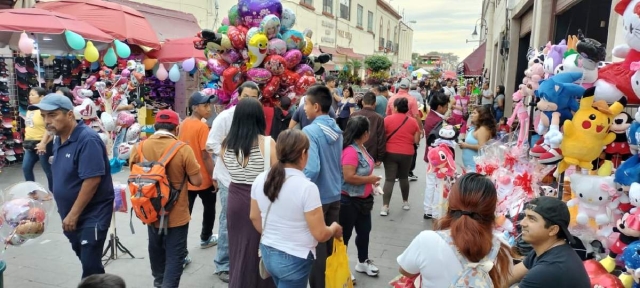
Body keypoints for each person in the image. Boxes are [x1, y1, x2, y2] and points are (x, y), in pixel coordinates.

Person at [30, 94, 114, 279]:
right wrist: (47, 196)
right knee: (88, 263)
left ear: (69, 115)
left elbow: (92, 181)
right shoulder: (59, 138)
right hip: (70, 215)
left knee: (90, 267)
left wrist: (73, 215)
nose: (47, 121)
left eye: (52, 115)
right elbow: (66, 177)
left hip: (91, 214)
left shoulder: (87, 139)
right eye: (43, 116)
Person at [250, 129, 343, 288]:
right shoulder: (307, 188)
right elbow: (320, 234)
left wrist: (273, 235)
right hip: (294, 258)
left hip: (267, 251)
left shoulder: (260, 179)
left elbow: (254, 216)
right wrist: (333, 228)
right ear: (303, 154)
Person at [397, 173, 513, 287]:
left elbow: (406, 270)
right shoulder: (502, 249)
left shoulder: (427, 240)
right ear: (491, 210)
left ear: (451, 203)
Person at [129, 109, 202, 288]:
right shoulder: (183, 149)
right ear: (176, 129)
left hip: (150, 211)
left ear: (155, 127)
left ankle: (158, 282)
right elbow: (197, 181)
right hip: (177, 214)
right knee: (175, 256)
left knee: (156, 250)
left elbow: (133, 174)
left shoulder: (139, 147)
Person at [205, 81, 260, 282]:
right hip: (229, 179)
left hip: (251, 179)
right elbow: (210, 143)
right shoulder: (226, 117)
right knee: (228, 220)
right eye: (246, 97)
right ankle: (223, 264)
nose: (249, 102)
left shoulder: (256, 119)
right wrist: (231, 158)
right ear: (238, 96)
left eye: (254, 98)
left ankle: (243, 260)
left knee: (249, 219)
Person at [222, 97, 277, 288]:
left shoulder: (225, 144)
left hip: (235, 199)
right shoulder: (268, 143)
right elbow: (277, 175)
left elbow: (230, 170)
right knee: (259, 249)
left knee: (237, 250)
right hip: (259, 200)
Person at [302, 85, 343, 288]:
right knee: (327, 246)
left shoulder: (310, 131)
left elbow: (312, 168)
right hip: (335, 193)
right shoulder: (336, 128)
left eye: (306, 104)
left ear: (316, 106)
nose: (304, 109)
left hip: (317, 197)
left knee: (315, 246)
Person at [507, 197, 590, 288]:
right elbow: (507, 278)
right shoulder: (547, 250)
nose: (522, 223)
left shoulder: (550, 268)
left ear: (553, 230)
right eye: (525, 216)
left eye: (532, 219)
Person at [340, 116, 381, 282]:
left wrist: (371, 186)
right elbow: (349, 177)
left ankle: (362, 261)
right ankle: (342, 267)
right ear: (365, 133)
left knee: (364, 232)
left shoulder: (361, 147)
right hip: (349, 200)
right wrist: (369, 180)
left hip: (364, 199)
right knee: (345, 235)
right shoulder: (350, 151)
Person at [179, 92, 218, 250]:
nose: (209, 109)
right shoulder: (202, 127)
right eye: (205, 106)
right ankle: (206, 237)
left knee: (184, 214)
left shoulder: (184, 124)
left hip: (188, 177)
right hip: (203, 178)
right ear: (195, 108)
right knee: (209, 209)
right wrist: (214, 177)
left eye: (209, 105)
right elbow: (206, 155)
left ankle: (181, 249)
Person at [381, 98, 420, 216]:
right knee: (403, 177)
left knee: (389, 179)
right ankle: (405, 202)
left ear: (396, 107)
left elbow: (382, 137)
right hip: (407, 153)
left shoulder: (387, 120)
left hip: (390, 152)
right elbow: (416, 140)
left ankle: (385, 207)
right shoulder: (413, 121)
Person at [386, 78, 423, 181]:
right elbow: (416, 115)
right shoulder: (411, 99)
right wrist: (420, 129)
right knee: (412, 148)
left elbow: (388, 114)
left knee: (394, 148)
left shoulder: (392, 99)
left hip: (393, 127)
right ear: (408, 87)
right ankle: (408, 172)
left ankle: (396, 173)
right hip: (409, 128)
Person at [422, 93, 450, 219]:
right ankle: (433, 211)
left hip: (432, 156)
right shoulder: (437, 120)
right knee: (436, 184)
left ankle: (428, 209)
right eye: (446, 106)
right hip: (438, 159)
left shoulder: (431, 116)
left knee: (431, 183)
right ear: (440, 107)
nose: (447, 108)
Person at [23, 87, 53, 192]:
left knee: (48, 170)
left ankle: (53, 192)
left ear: (42, 97)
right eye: (30, 95)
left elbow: (49, 129)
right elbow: (29, 127)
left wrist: (43, 143)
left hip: (43, 144)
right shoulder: (30, 109)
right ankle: (32, 193)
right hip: (30, 144)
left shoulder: (44, 111)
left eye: (33, 95)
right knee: (26, 167)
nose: (30, 97)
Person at [351, 92, 386, 164]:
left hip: (354, 151)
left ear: (363, 102)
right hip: (371, 153)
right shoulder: (379, 118)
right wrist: (380, 158)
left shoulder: (354, 115)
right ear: (375, 103)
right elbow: (381, 138)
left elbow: (348, 133)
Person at [459, 105, 496, 172]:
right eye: (472, 113)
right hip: (470, 166)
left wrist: (466, 146)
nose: (471, 115)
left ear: (482, 116)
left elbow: (482, 147)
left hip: (475, 167)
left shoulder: (483, 129)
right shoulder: (478, 127)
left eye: (474, 113)